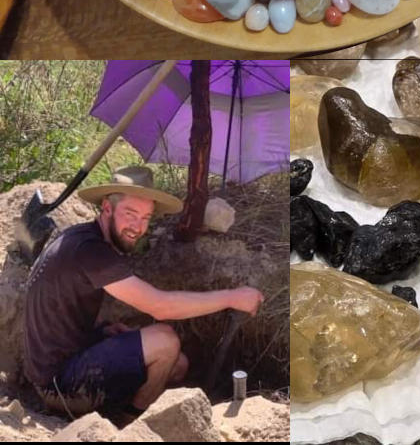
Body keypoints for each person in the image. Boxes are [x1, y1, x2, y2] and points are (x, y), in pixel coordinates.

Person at [23, 166, 264, 419]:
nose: (138, 227)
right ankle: (130, 420)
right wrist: (232, 297)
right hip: (59, 387)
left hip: (58, 368)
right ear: (107, 208)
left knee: (177, 364)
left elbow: (57, 323)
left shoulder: (81, 238)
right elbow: (160, 306)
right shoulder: (91, 251)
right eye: (130, 213)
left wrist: (101, 334)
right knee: (165, 340)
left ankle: (119, 407)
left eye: (146, 218)